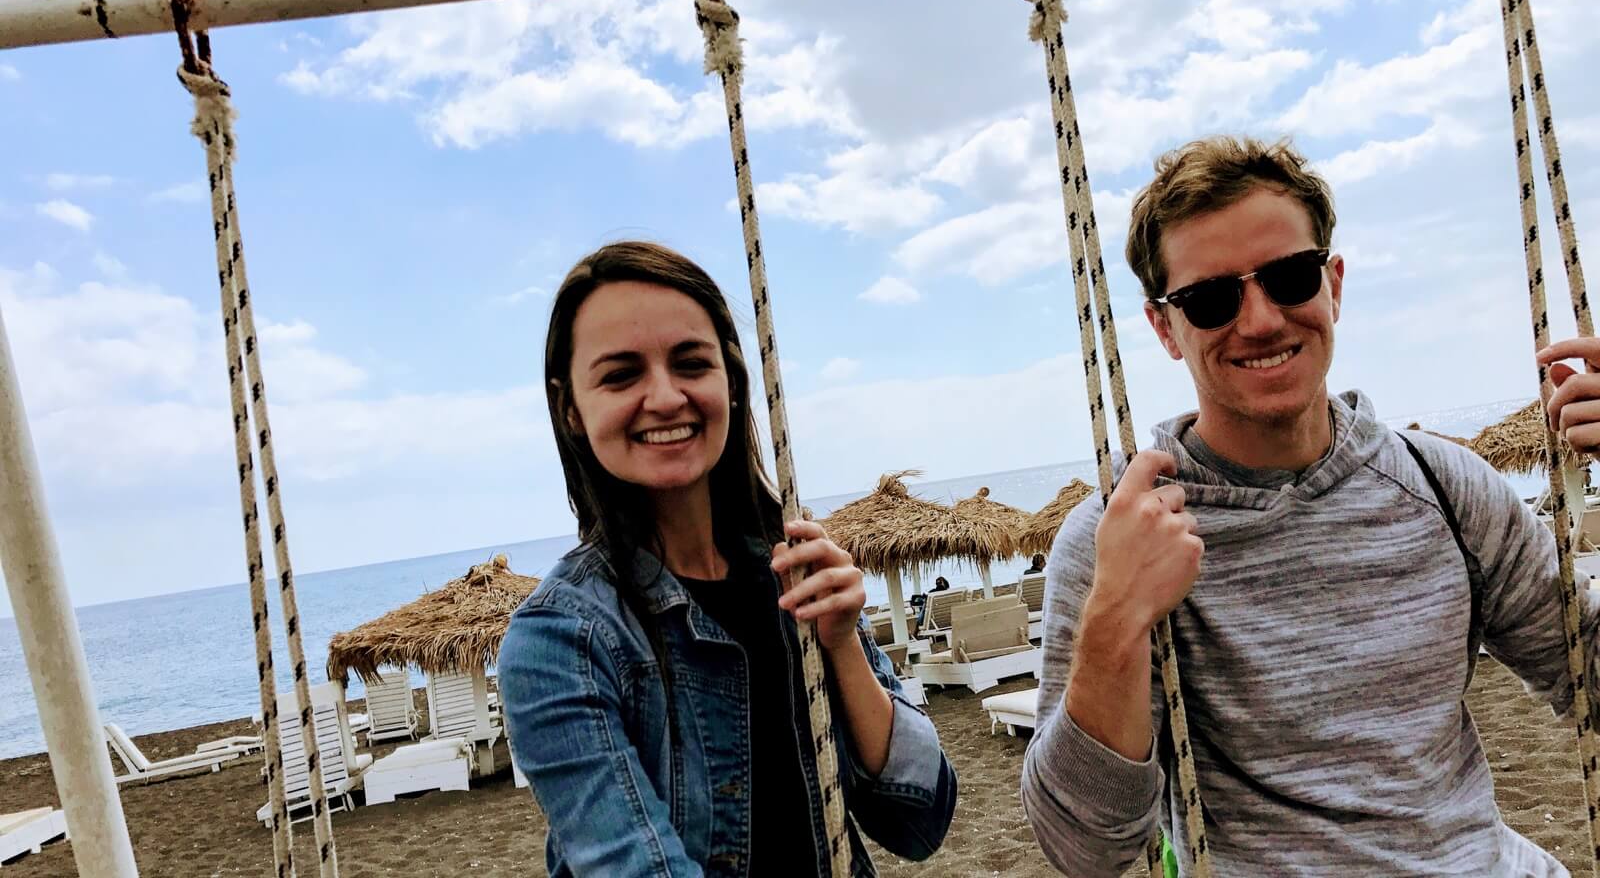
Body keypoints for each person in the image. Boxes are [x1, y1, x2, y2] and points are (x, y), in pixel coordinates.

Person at [1021, 135, 1600, 876]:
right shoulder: (1120, 536)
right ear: (1166, 328)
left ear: (1333, 283)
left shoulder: (1447, 489)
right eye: (1210, 298)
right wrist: (1114, 622)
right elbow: (1084, 847)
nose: (1260, 320)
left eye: (1289, 277)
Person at [498, 242, 957, 877]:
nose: (664, 397)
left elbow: (920, 817)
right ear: (571, 408)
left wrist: (844, 646)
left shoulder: (794, 572)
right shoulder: (561, 643)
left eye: (690, 363)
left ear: (732, 385)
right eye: (621, 374)